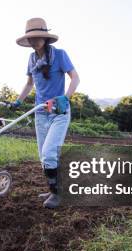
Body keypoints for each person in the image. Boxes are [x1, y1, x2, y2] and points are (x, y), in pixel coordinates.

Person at [11, 17, 80, 209]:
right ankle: (53, 189)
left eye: (38, 37)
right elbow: (29, 84)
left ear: (45, 37)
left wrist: (66, 97)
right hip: (40, 112)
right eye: (31, 38)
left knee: (50, 153)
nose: (34, 41)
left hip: (58, 110)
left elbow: (75, 78)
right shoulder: (32, 58)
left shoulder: (60, 55)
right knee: (44, 156)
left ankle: (58, 195)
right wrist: (18, 101)